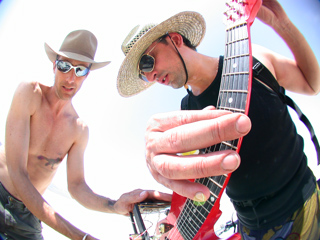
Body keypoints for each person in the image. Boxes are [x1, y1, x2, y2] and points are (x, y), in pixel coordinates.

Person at [117, 1, 320, 239]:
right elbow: (197, 188)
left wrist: (280, 23)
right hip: (251, 229)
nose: (150, 75)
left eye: (148, 61)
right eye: (143, 74)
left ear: (175, 39)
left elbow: (311, 84)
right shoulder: (185, 115)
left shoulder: (254, 62)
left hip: (306, 202)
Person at [0, 29, 171, 240]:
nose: (71, 77)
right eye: (65, 66)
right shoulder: (29, 93)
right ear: (54, 65)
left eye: (80, 70)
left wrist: (114, 205)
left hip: (29, 216)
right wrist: (82, 237)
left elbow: (77, 187)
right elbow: (18, 172)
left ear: (87, 75)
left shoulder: (78, 130)